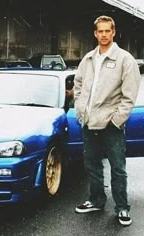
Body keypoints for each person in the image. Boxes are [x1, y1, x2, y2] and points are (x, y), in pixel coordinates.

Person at [73, 15, 140, 226]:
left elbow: (129, 96)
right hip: (89, 123)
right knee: (92, 166)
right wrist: (80, 109)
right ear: (95, 33)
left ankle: (122, 208)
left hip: (112, 125)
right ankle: (96, 200)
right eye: (99, 31)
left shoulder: (125, 60)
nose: (103, 35)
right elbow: (78, 85)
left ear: (113, 32)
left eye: (107, 31)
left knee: (117, 168)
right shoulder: (88, 59)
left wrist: (116, 121)